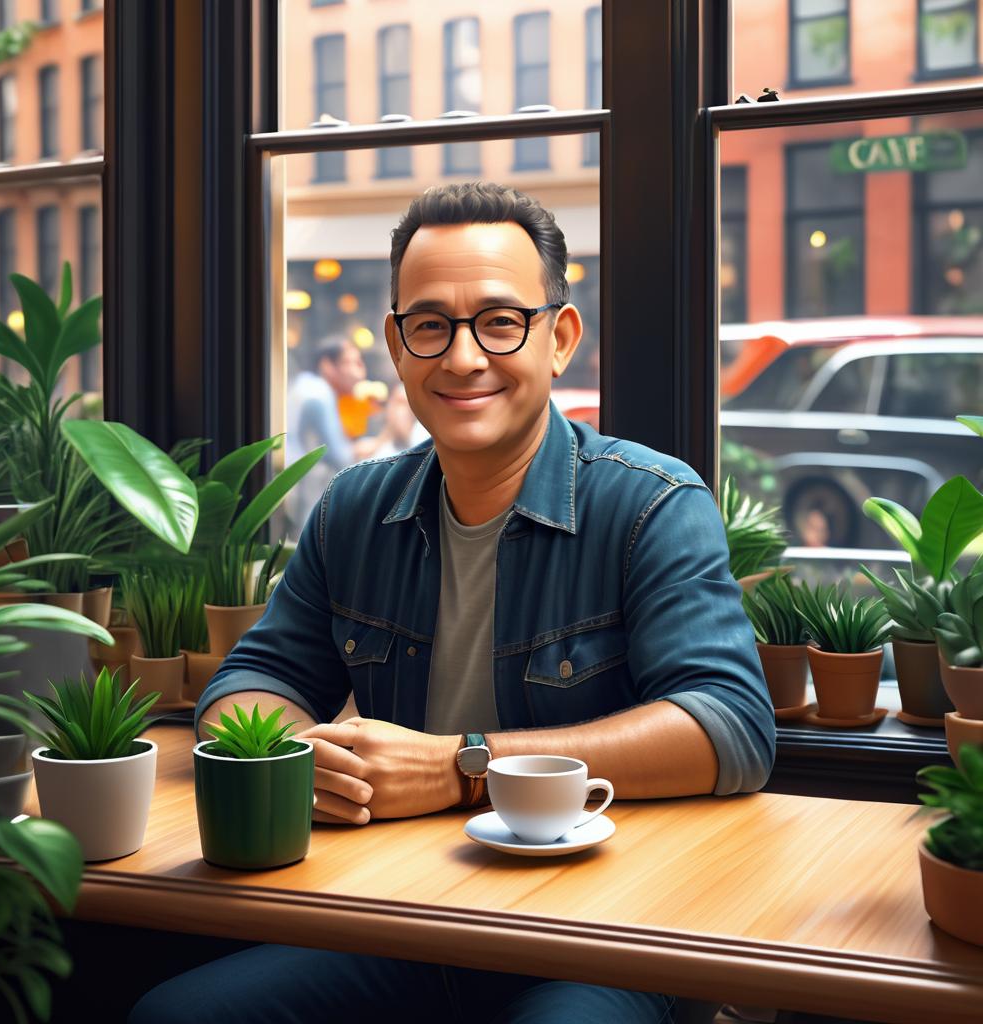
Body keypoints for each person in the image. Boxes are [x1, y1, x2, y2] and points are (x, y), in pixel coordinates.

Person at [131, 182, 775, 1023]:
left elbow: (727, 727)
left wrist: (461, 767)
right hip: (400, 914)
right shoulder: (355, 510)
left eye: (501, 322)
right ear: (397, 347)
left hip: (602, 932)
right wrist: (297, 758)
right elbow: (252, 679)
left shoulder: (650, 502)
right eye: (429, 325)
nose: (462, 358)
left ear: (559, 339)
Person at [284, 335, 367, 535]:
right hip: (298, 492)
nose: (360, 372)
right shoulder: (319, 395)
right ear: (327, 366)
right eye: (350, 363)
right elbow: (340, 457)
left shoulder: (306, 385)